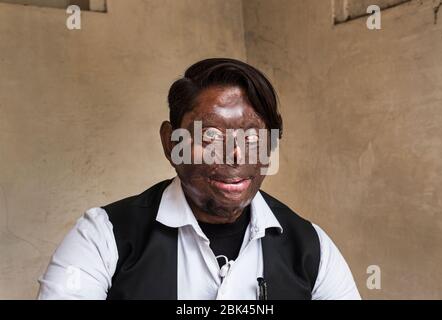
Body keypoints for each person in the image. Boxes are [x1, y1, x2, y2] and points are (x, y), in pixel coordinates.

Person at [38, 58, 360, 300]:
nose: (235, 155)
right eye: (209, 136)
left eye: (252, 138)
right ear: (170, 142)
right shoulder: (103, 237)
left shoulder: (311, 247)